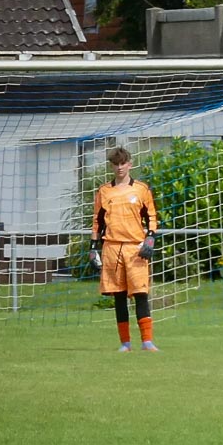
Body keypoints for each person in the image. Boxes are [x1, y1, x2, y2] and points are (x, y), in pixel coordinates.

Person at [91, 147, 159, 351]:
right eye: (116, 164)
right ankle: (125, 343)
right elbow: (97, 222)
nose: (120, 167)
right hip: (111, 248)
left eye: (123, 163)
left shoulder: (141, 189)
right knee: (119, 295)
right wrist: (93, 248)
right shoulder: (104, 191)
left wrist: (150, 239)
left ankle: (147, 341)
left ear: (130, 164)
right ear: (112, 166)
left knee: (140, 293)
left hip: (135, 248)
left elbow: (152, 217)